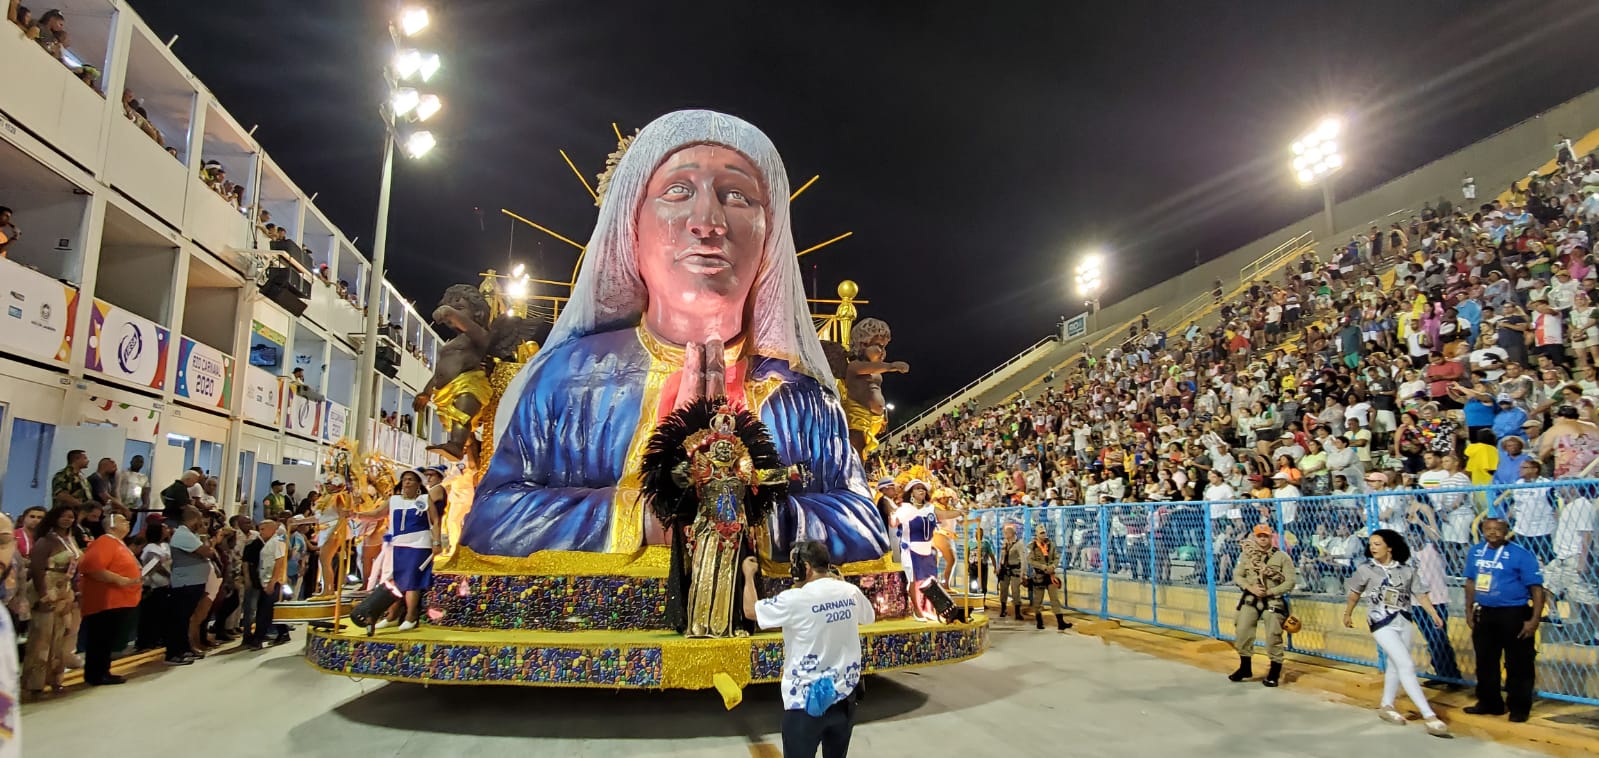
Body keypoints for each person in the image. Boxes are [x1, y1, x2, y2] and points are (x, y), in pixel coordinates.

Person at [464, 110, 890, 565]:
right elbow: (492, 516)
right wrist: (648, 516)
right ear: (630, 227)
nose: (707, 222)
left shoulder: (802, 398)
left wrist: (747, 514)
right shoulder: (569, 378)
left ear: (772, 237)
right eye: (677, 191)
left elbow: (862, 521)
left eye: (737, 196)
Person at [742, 541, 873, 758]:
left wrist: (748, 575)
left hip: (804, 704)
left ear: (806, 567)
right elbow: (868, 618)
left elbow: (750, 610)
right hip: (844, 699)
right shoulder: (850, 592)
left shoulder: (795, 599)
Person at [1341, 529, 1450, 737]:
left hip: (1404, 620)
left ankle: (1387, 706)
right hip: (1380, 622)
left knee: (1394, 665)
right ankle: (1429, 715)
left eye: (1377, 544)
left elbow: (1421, 594)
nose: (1373, 548)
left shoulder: (1407, 570)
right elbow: (1354, 593)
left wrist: (1433, 613)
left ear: (1389, 547)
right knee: (1406, 664)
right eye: (1371, 544)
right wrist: (1348, 613)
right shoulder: (1366, 570)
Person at [1462, 513, 1545, 722]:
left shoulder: (1521, 554)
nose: (1492, 533)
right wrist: (1468, 609)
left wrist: (1534, 619)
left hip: (1514, 613)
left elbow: (1536, 589)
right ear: (1482, 531)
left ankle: (1519, 707)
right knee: (1485, 661)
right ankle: (1490, 703)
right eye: (1488, 529)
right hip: (1485, 612)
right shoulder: (1475, 552)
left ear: (1507, 532)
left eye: (1498, 529)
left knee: (1518, 663)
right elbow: (1471, 582)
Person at [22, 504, 80, 698]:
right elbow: (38, 568)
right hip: (48, 586)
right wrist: (43, 593)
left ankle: (55, 679)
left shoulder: (69, 539)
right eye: (64, 516)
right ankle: (34, 685)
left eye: (71, 517)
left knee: (60, 639)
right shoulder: (46, 541)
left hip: (65, 589)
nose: (67, 520)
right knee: (41, 640)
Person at [1228, 524, 1296, 687]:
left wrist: (1271, 591)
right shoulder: (1247, 556)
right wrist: (1250, 587)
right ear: (1255, 537)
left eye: (1265, 536)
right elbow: (1237, 575)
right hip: (1251, 598)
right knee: (1242, 630)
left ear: (1271, 537)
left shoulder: (1281, 557)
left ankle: (1274, 672)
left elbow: (1290, 582)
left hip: (1272, 599)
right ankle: (1245, 667)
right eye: (1259, 536)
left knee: (1273, 635)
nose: (1263, 539)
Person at [78, 512, 140, 686]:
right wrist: (120, 580)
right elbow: (92, 566)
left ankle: (103, 670)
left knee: (107, 639)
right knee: (100, 638)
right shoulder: (105, 542)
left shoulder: (117, 543)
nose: (127, 523)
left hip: (118, 599)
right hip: (106, 600)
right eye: (122, 521)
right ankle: (96, 674)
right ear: (112, 525)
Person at [387, 470, 439, 630]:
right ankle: (392, 615)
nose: (406, 482)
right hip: (398, 545)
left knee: (411, 581)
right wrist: (357, 514)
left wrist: (436, 542)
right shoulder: (394, 500)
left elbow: (435, 520)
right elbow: (376, 513)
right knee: (395, 580)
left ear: (418, 484)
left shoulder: (424, 499)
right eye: (404, 480)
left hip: (419, 545)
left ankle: (411, 615)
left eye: (410, 480)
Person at [165, 506, 213, 665]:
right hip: (185, 582)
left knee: (184, 618)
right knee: (179, 618)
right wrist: (207, 537)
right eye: (199, 519)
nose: (201, 523)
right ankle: (174, 653)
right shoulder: (182, 535)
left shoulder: (190, 534)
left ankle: (184, 648)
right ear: (193, 519)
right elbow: (207, 552)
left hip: (193, 581)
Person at [243, 519, 285, 648]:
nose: (260, 532)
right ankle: (283, 632)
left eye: (263, 529)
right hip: (265, 581)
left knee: (264, 612)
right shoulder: (268, 543)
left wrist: (272, 582)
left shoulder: (277, 542)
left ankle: (258, 639)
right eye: (259, 529)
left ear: (272, 529)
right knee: (271, 610)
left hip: (272, 582)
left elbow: (280, 561)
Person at [1026, 523, 1072, 631]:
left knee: (1054, 599)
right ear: (1037, 534)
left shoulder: (1051, 544)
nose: (1043, 535)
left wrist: (1053, 566)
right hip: (1039, 575)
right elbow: (1030, 560)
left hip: (1050, 575)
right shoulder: (1031, 546)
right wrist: (1042, 567)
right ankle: (1039, 621)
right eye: (1041, 533)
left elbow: (1056, 557)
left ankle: (1061, 623)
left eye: (1044, 533)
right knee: (1038, 600)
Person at [996, 523, 1024, 619]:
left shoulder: (1019, 544)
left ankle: (1017, 612)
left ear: (1011, 533)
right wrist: (999, 567)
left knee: (1015, 591)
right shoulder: (1005, 542)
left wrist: (1022, 573)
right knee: (1003, 590)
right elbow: (1002, 556)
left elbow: (1023, 559)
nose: (1004, 534)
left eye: (1006, 532)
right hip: (1004, 569)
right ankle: (1003, 609)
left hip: (1015, 570)